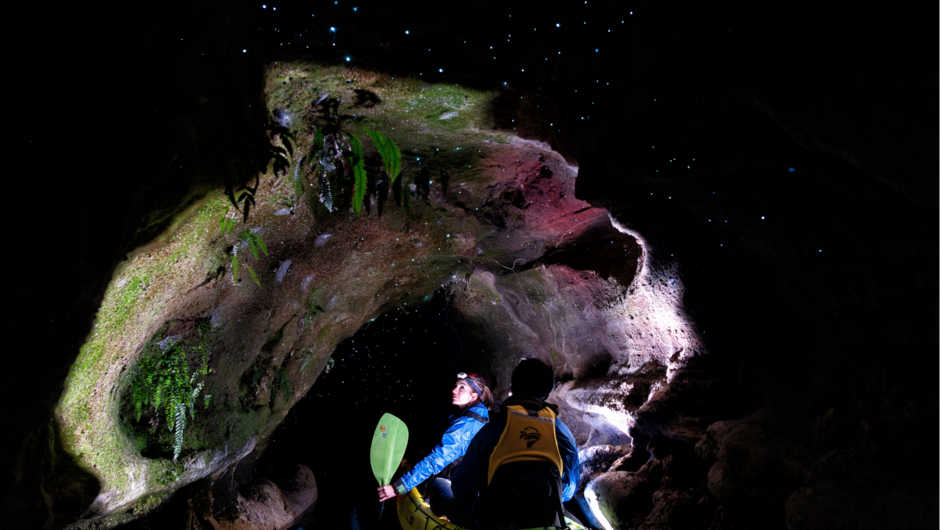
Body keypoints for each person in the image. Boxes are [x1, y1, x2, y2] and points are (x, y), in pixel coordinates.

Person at [452, 359, 580, 530]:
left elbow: (461, 487)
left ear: (512, 388)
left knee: (441, 487)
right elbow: (570, 489)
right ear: (547, 392)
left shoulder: (492, 429)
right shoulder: (563, 433)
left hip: (495, 523)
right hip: (544, 521)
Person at [377, 372, 494, 515]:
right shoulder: (476, 415)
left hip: (462, 492)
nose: (454, 390)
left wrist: (398, 487)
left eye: (461, 387)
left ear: (473, 396)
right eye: (455, 386)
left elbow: (437, 459)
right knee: (422, 454)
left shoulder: (467, 424)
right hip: (469, 485)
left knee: (432, 479)